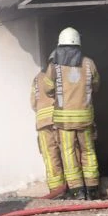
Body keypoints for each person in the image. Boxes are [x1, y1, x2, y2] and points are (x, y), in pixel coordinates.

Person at [46, 28, 101, 200]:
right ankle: (93, 189)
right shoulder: (89, 63)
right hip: (85, 118)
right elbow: (97, 85)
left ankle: (77, 191)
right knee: (89, 151)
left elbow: (48, 88)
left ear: (59, 45)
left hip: (64, 121)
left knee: (68, 153)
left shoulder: (54, 65)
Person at [31, 71, 67, 199]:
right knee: (67, 153)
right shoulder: (62, 72)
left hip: (42, 122)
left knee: (50, 156)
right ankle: (72, 187)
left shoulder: (37, 78)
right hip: (59, 119)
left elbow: (33, 103)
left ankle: (56, 191)